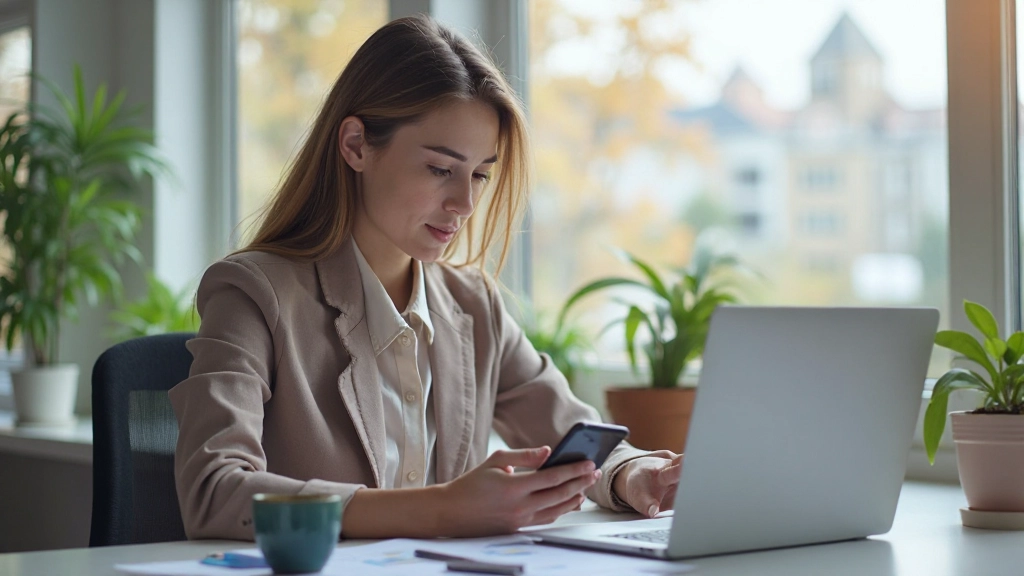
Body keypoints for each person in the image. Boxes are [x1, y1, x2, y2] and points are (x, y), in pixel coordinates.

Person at [169, 14, 682, 541]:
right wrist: (441, 509)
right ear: (355, 145)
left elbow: (575, 431)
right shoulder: (254, 294)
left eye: (480, 174)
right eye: (441, 169)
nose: (464, 203)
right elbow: (214, 490)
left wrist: (629, 473)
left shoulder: (473, 306)